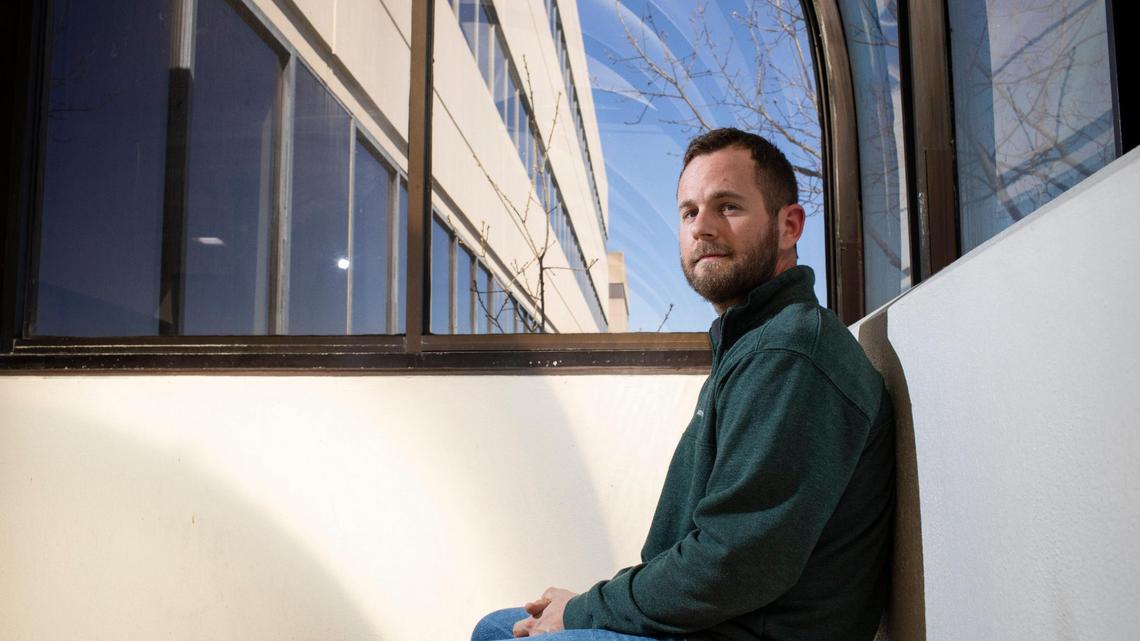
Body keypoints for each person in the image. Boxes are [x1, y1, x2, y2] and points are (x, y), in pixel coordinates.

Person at [471, 128, 895, 641]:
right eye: (689, 212)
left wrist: (585, 610)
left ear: (789, 226)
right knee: (501, 626)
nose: (703, 228)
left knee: (503, 634)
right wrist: (590, 605)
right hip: (712, 626)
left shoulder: (790, 354)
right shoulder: (750, 346)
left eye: (728, 206)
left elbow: (731, 566)